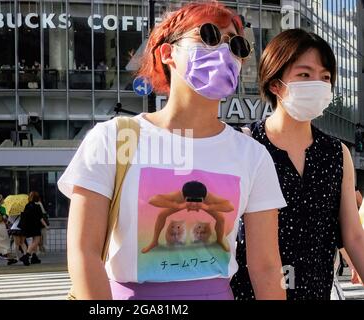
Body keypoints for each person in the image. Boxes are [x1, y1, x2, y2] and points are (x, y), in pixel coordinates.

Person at [58, 1, 287, 300]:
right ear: (167, 52)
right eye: (208, 35)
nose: (224, 52)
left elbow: (267, 267)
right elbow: (83, 252)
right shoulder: (114, 138)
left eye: (237, 45)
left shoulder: (252, 155)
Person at [231, 28, 364, 300]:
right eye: (304, 74)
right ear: (275, 83)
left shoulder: (337, 153)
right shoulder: (244, 144)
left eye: (325, 77)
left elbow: (353, 235)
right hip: (250, 293)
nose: (318, 83)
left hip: (316, 291)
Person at [18, 192, 48, 266]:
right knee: (36, 241)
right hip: (35, 226)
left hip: (27, 226)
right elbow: (40, 218)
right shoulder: (37, 206)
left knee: (29, 242)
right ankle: (27, 255)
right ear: (37, 198)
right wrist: (46, 225)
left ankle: (31, 257)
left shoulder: (27, 205)